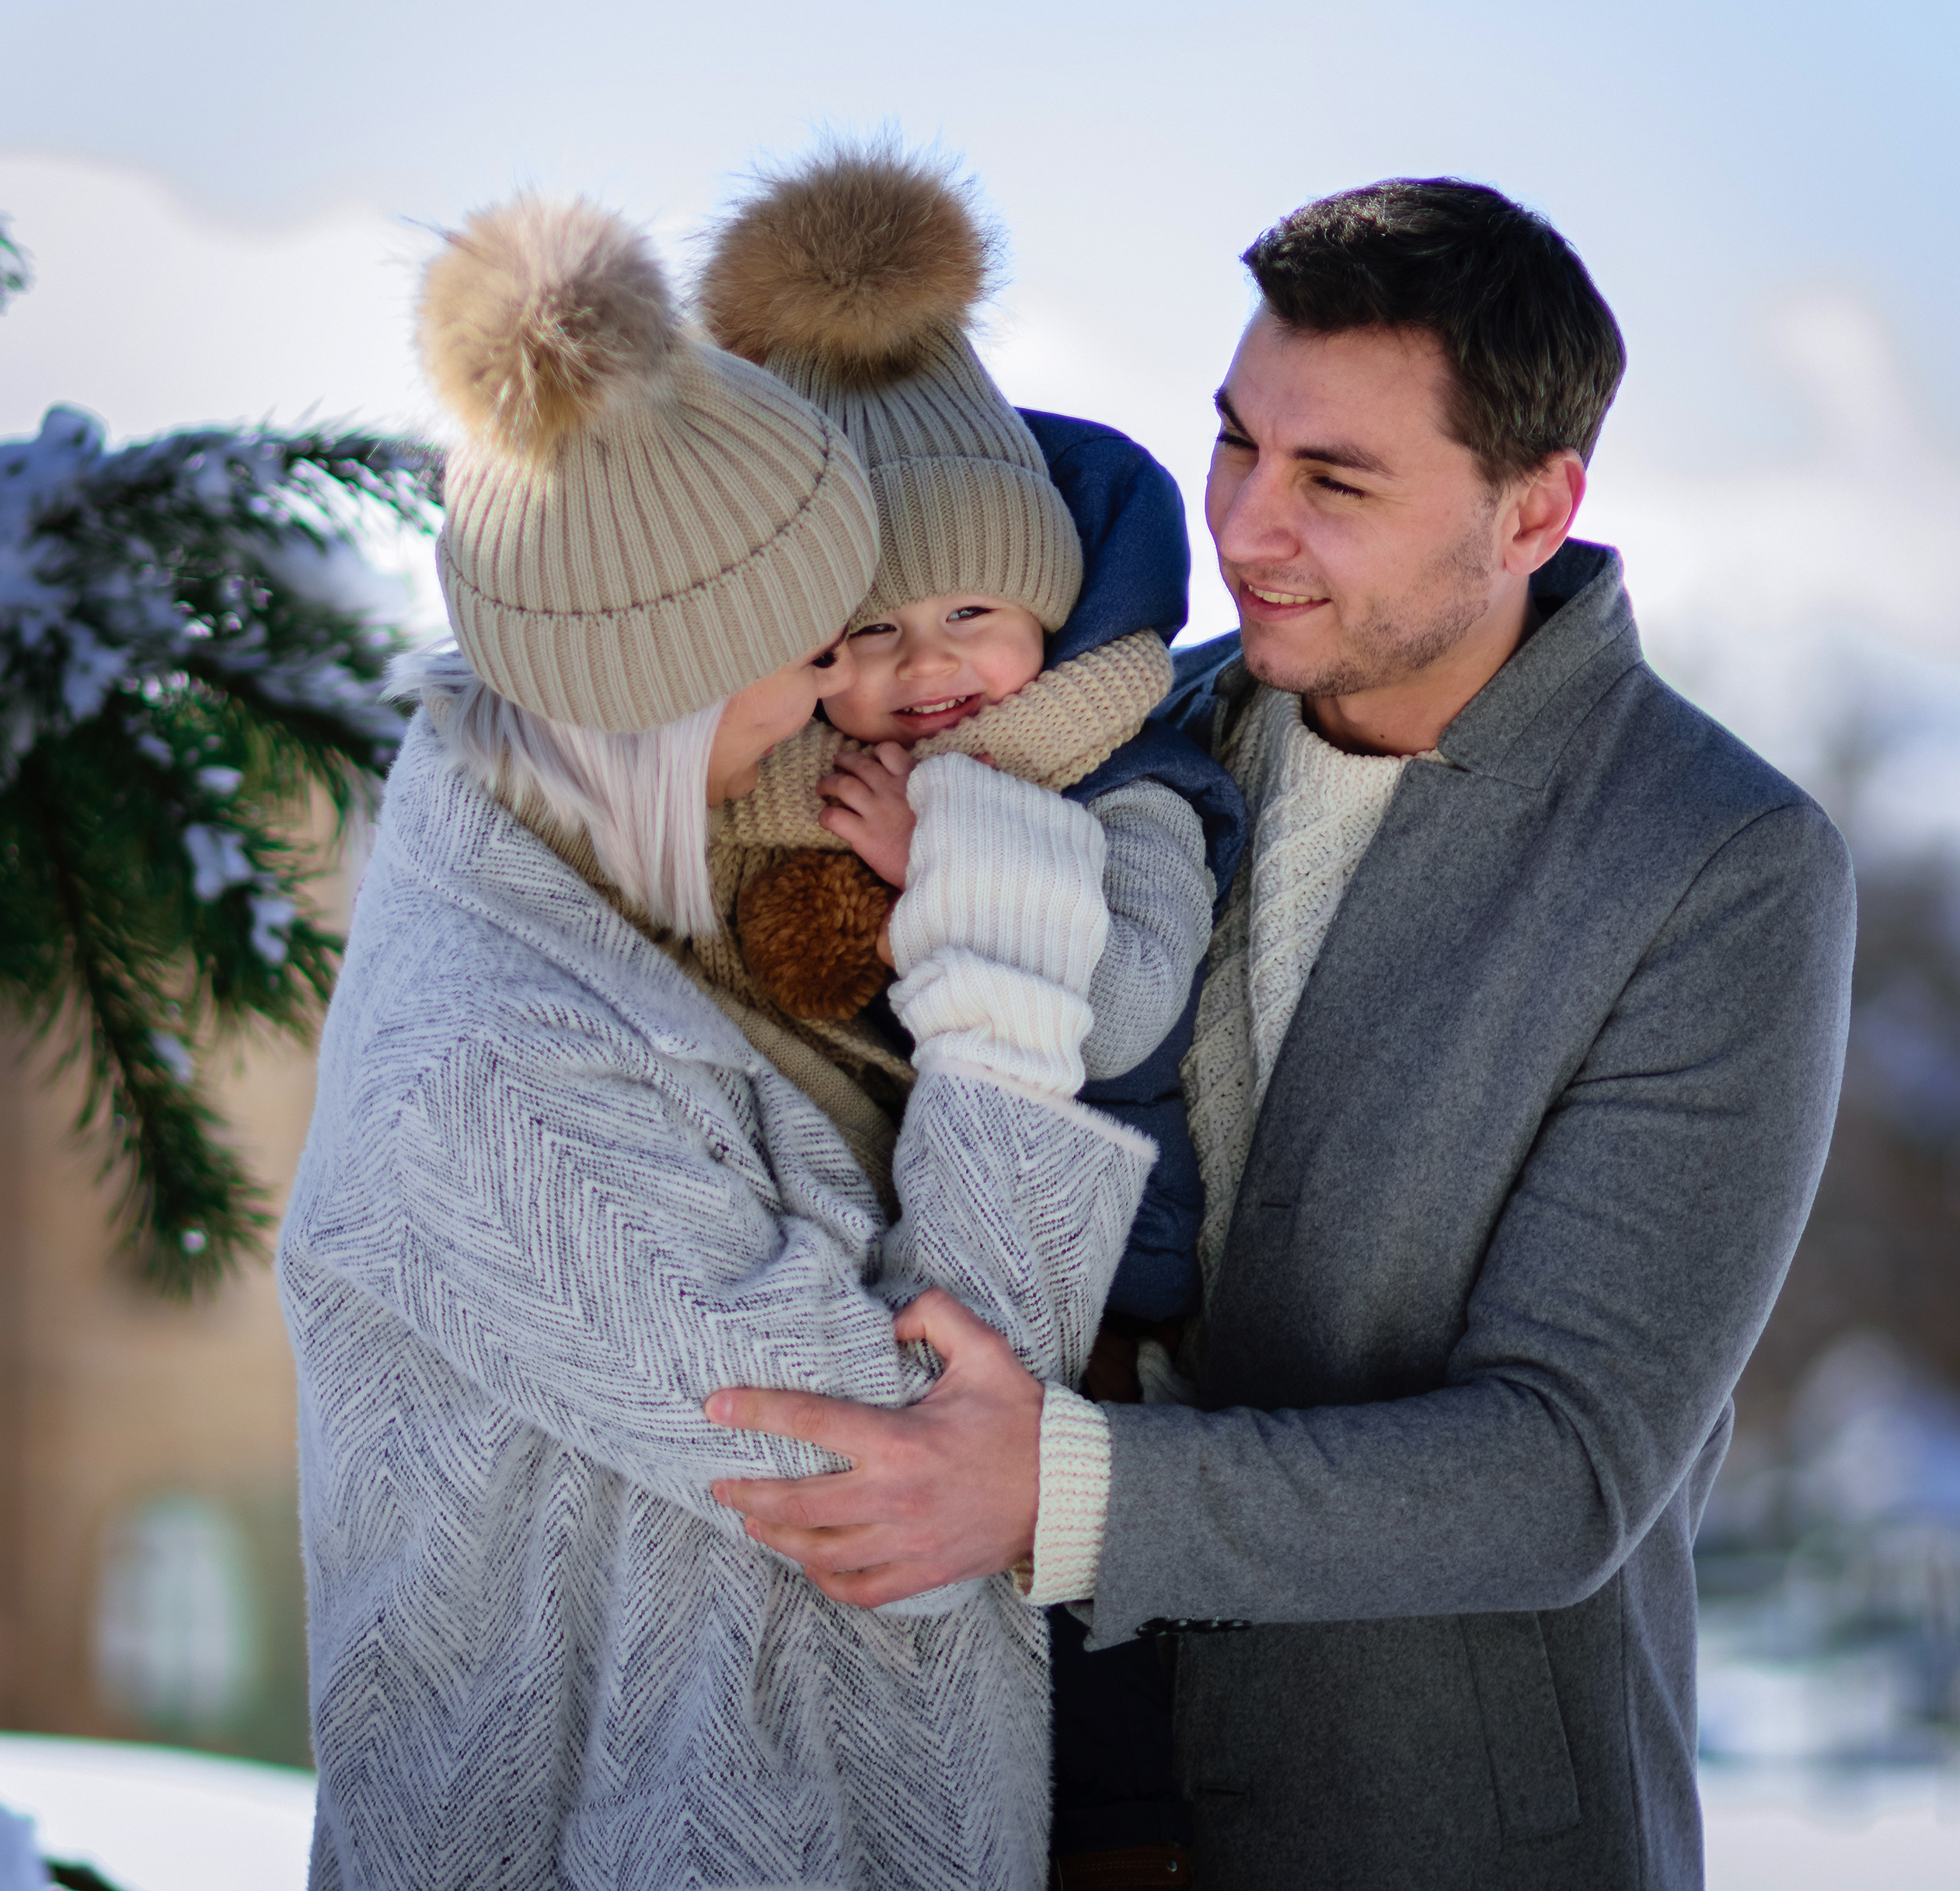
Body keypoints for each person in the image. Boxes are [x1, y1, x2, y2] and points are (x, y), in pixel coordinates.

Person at [702, 178, 1859, 1890]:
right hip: (1038, 1792)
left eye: (1334, 480)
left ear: (1533, 507)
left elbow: (1560, 1467)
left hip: (1429, 1821)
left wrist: (1058, 1488)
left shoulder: (1713, 861)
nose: (1242, 526)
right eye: (1236, 443)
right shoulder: (1114, 738)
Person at [279, 191, 1158, 1891]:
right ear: (670, 682)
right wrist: (1000, 959)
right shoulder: (498, 1075)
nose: (843, 683)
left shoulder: (599, 906)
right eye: (809, 643)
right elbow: (914, 1456)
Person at [694, 148, 1250, 1886]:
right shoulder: (837, 776)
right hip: (940, 1260)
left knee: (1087, 1686)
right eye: (866, 632)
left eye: (970, 615)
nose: (926, 667)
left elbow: (1127, 1003)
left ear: (1045, 611)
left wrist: (957, 860)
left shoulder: (1124, 767)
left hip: (1119, 1276)